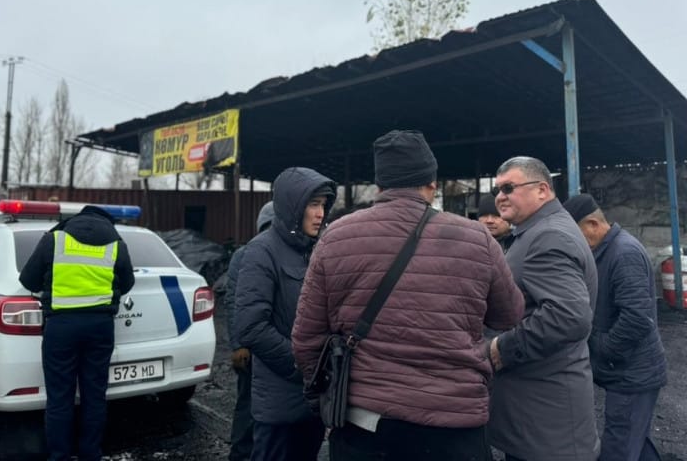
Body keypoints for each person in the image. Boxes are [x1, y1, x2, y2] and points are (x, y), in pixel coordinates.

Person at [292, 130, 525, 461]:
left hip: (365, 424)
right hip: (454, 424)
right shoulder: (477, 238)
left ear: (380, 187)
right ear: (431, 184)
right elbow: (509, 315)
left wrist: (323, 393)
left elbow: (305, 339)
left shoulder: (335, 238)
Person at [487, 157, 599, 461]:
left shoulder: (549, 236)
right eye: (497, 190)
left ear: (542, 190)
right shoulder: (538, 231)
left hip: (546, 419)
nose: (500, 197)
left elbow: (569, 317)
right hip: (538, 415)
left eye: (508, 188)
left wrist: (500, 349)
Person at [235, 167, 337, 461]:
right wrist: (303, 364)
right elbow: (251, 326)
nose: (320, 214)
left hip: (314, 402)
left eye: (323, 205)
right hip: (279, 407)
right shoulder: (261, 251)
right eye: (313, 204)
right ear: (293, 206)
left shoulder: (317, 250)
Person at [19, 205, 135, 461]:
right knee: (95, 396)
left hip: (61, 327)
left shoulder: (54, 239)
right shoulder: (116, 244)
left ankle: (59, 456)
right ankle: (90, 454)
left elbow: (28, 280)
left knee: (60, 398)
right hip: (100, 327)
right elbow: (127, 283)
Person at [563, 193, 667, 461]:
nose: (572, 243)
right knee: (634, 441)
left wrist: (601, 348)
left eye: (574, 234)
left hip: (632, 374)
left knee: (618, 447)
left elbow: (637, 318)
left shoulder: (624, 253)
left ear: (593, 224)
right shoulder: (605, 251)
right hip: (627, 370)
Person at [225, 200, 275, 461]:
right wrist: (238, 345)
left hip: (272, 347)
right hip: (255, 348)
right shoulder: (244, 255)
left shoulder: (295, 252)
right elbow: (233, 302)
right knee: (248, 406)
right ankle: (242, 454)